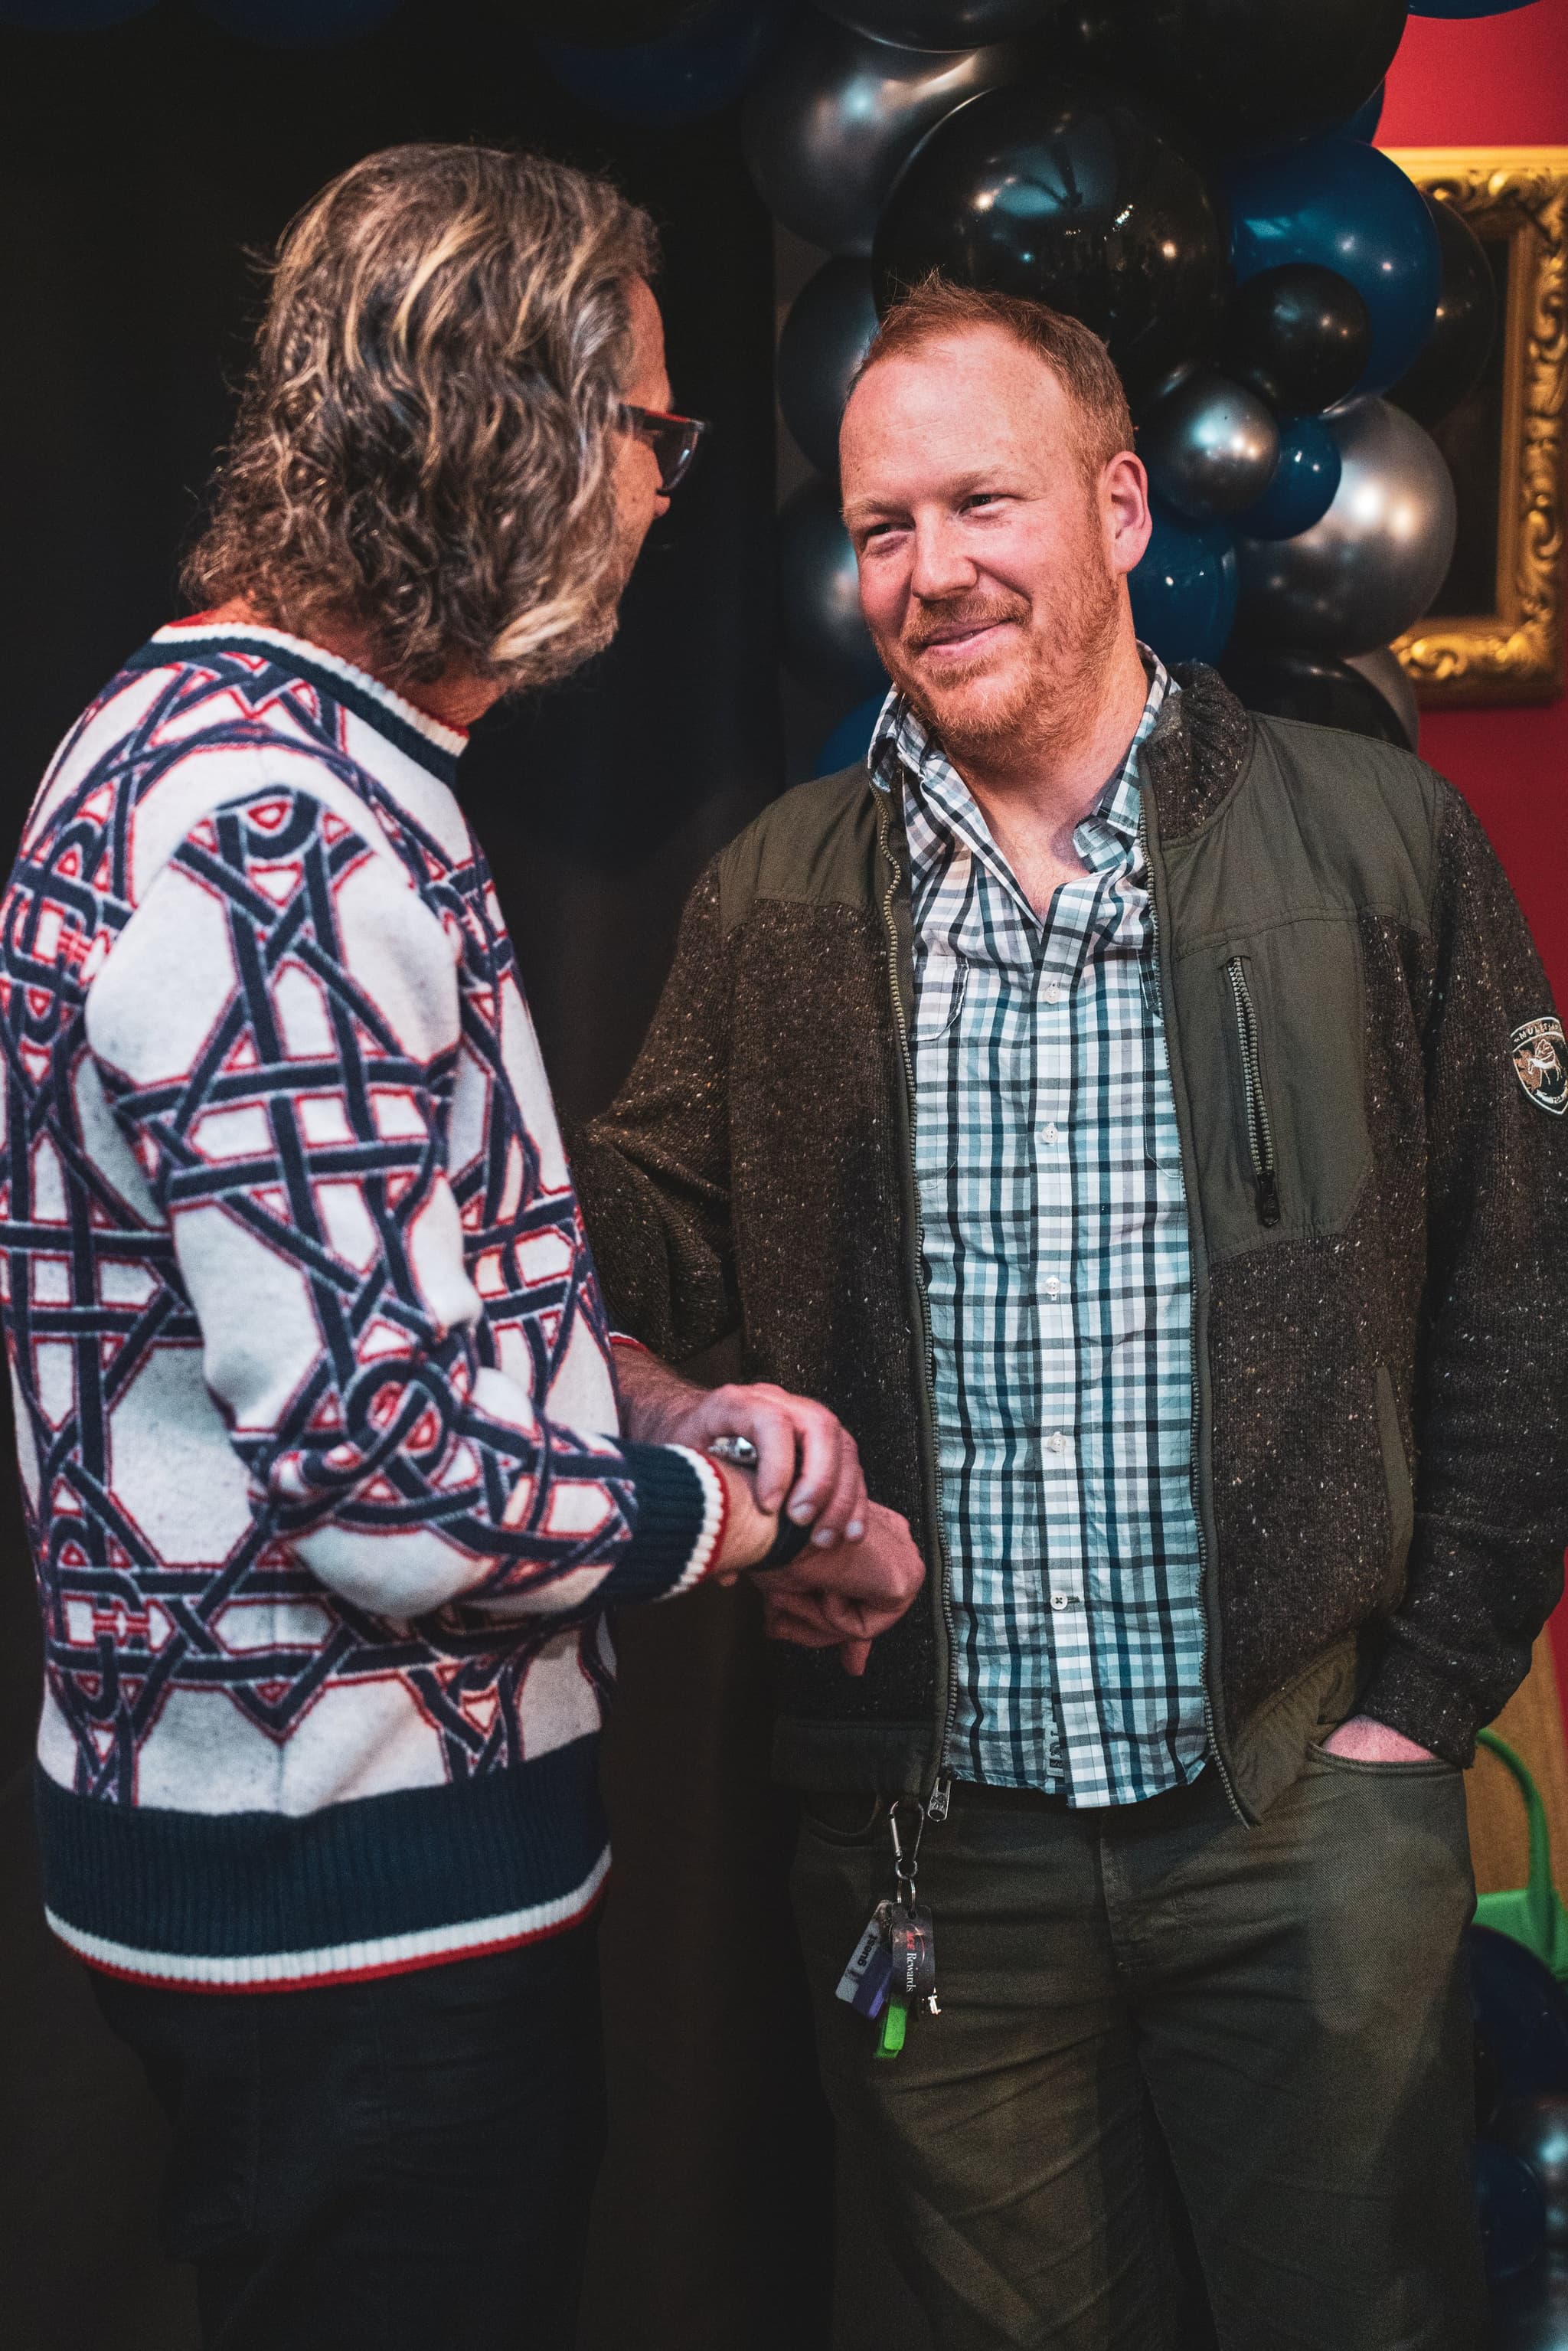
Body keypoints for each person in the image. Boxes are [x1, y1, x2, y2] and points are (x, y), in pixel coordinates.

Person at [572, 274, 1568, 2348]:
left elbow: (1521, 1278)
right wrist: (730, 1452)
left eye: (980, 505)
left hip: (1303, 1819)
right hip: (937, 1856)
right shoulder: (773, 899)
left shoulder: (1380, 845)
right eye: (878, 531)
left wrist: (1425, 1699)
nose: (929, 576)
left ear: (1122, 509)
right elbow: (613, 1276)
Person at [0, 142, 923, 2351]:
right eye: (649, 428)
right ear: (500, 428)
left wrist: (687, 1410)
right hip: (349, 1921)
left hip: (341, 1893)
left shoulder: (269, 757)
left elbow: (420, 1313)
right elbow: (397, 1487)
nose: (667, 489)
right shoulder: (274, 835)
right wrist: (721, 1517)